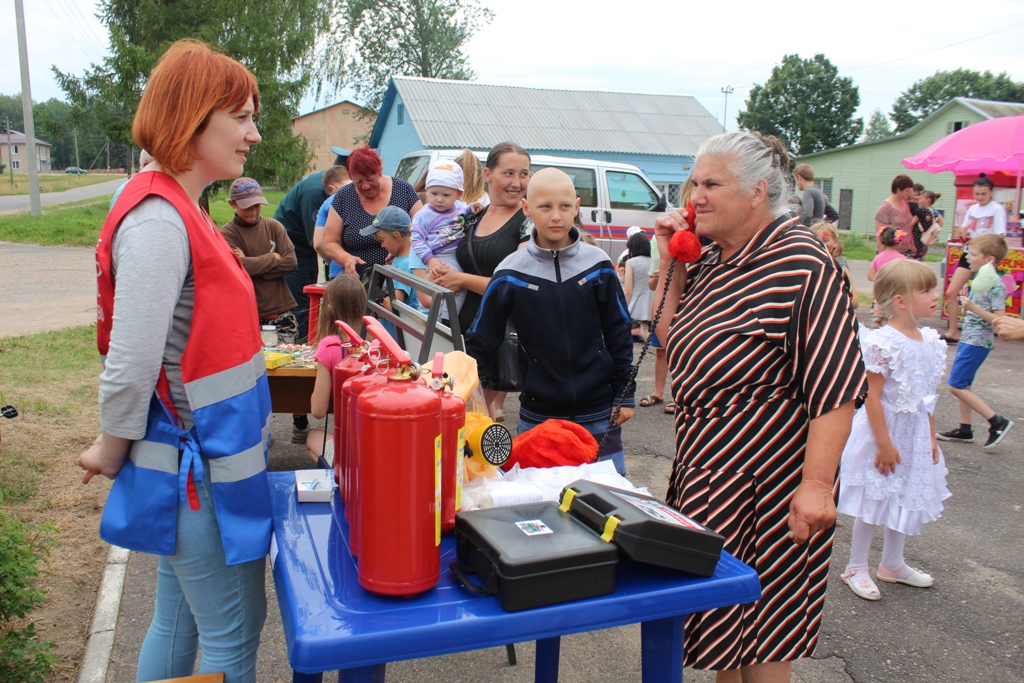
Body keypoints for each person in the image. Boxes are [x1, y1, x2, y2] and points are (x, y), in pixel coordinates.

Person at [76, 39, 270, 683]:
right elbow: (131, 360)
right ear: (194, 117)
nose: (254, 134)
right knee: (234, 639)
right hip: (197, 471)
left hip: (197, 466)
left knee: (181, 622)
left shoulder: (179, 207)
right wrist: (110, 446)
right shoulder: (161, 221)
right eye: (241, 117)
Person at [652, 131, 866, 681]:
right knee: (727, 635)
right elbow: (670, 340)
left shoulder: (803, 264)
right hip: (708, 469)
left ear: (757, 191)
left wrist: (818, 484)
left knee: (767, 636)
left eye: (711, 184)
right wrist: (670, 261)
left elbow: (836, 386)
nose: (695, 196)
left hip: (772, 484)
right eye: (693, 183)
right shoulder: (716, 257)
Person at [465, 168, 635, 475]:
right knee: (541, 500)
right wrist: (459, 391)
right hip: (539, 413)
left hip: (598, 410)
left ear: (577, 206)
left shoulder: (598, 265)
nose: (556, 216)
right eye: (545, 207)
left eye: (564, 206)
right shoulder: (510, 272)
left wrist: (626, 394)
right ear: (527, 208)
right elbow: (480, 340)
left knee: (610, 497)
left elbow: (619, 333)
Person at [837, 260, 951, 601]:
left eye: (933, 287)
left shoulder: (931, 340)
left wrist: (930, 436)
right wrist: (883, 444)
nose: (935, 295)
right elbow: (871, 396)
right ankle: (856, 566)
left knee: (903, 494)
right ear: (900, 301)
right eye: (926, 290)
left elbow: (927, 396)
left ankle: (893, 563)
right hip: (882, 432)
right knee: (876, 495)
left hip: (914, 432)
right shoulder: (883, 342)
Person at [432, 142, 534, 421]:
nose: (517, 183)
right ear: (487, 175)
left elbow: (514, 285)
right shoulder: (474, 215)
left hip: (496, 336)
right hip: (460, 329)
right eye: (509, 173)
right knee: (466, 417)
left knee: (469, 417)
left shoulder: (528, 222)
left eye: (524, 174)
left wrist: (461, 280)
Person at [936, 233, 1013, 448]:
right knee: (965, 385)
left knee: (955, 385)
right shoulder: (979, 279)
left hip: (977, 342)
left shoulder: (995, 285)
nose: (968, 257)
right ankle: (965, 429)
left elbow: (1000, 320)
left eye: (973, 254)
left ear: (989, 259)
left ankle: (997, 422)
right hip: (969, 339)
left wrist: (973, 308)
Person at [275, 147, 352, 341]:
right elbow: (318, 241)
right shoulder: (316, 193)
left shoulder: (328, 185)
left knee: (310, 302)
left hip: (304, 249)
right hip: (291, 249)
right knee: (302, 303)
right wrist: (335, 259)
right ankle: (303, 347)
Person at [321, 147, 423, 282]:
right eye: (358, 182)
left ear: (379, 171)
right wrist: (345, 258)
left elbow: (423, 230)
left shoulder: (403, 189)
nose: (365, 186)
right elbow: (329, 242)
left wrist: (402, 249)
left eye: (370, 179)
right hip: (359, 282)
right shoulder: (343, 197)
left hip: (402, 281)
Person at [221, 177, 299, 343]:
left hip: (281, 311)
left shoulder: (274, 226)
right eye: (246, 207)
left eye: (256, 206)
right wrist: (273, 257)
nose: (253, 211)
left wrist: (250, 263)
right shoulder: (227, 233)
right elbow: (235, 268)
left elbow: (291, 262)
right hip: (249, 314)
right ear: (232, 204)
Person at [304, 275, 367, 466]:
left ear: (329, 307)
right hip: (373, 440)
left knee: (312, 437)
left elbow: (318, 410)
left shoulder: (329, 345)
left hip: (348, 446)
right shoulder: (377, 341)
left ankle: (339, 470)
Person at [942, 174, 1008, 343]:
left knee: (983, 295)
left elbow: (999, 236)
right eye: (976, 194)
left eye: (983, 194)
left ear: (991, 192)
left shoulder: (996, 209)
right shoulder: (972, 209)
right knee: (951, 291)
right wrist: (963, 233)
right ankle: (953, 330)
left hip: (986, 256)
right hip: (969, 252)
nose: (979, 197)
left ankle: (986, 328)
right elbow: (965, 229)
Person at [411, 161, 471, 314]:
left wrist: (474, 208)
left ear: (459, 195)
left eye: (446, 195)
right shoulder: (423, 216)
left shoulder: (460, 208)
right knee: (453, 286)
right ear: (427, 190)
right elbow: (416, 239)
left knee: (461, 286)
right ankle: (446, 319)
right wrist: (430, 260)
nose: (439, 199)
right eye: (434, 193)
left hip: (460, 251)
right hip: (440, 255)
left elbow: (467, 212)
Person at [362, 205, 429, 312]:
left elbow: (394, 305)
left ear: (397, 236)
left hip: (394, 329)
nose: (382, 246)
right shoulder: (411, 258)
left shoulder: (403, 265)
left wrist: (374, 291)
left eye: (382, 240)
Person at [312, 164, 353, 277]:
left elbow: (318, 244)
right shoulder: (369, 195)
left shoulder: (328, 203)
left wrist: (335, 259)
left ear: (331, 187)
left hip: (340, 272)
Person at [811, 220, 858, 308]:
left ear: (835, 243)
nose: (821, 244)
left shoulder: (841, 269)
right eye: (815, 240)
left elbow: (855, 302)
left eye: (825, 240)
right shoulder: (805, 266)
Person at [875, 175, 919, 258]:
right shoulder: (885, 207)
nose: (909, 193)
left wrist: (912, 244)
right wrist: (883, 255)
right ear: (899, 190)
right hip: (892, 252)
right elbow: (880, 234)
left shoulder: (905, 203)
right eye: (907, 190)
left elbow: (908, 226)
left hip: (906, 250)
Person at [623, 231, 653, 342]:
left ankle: (637, 331)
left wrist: (623, 307)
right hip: (653, 304)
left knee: (618, 330)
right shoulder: (653, 261)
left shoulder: (631, 262)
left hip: (637, 305)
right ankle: (645, 330)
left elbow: (628, 290)